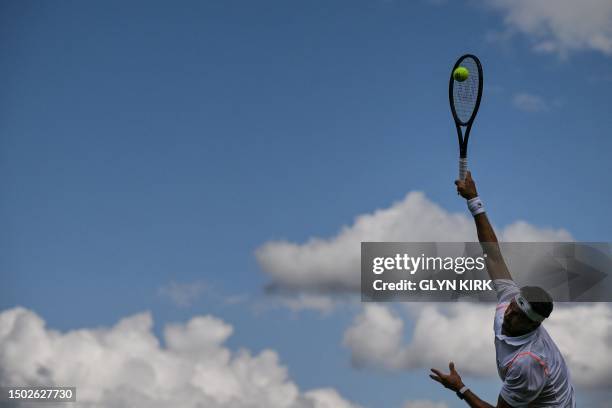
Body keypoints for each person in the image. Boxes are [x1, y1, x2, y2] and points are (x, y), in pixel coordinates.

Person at [428, 171, 576, 407]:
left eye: (517, 315)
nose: (508, 313)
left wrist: (461, 388)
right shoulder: (510, 300)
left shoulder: (528, 362)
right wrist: (473, 201)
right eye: (513, 307)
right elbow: (493, 254)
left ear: (533, 325)